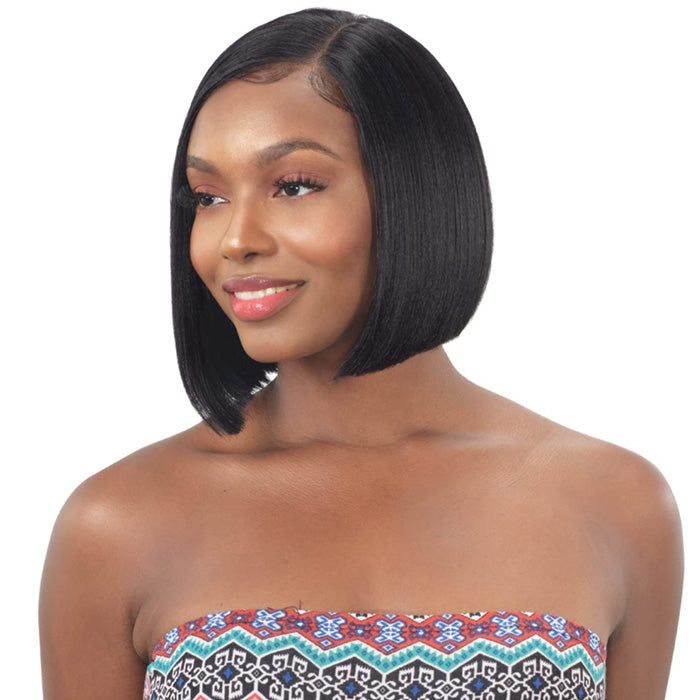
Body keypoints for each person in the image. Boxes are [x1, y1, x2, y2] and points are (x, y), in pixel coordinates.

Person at [38, 7, 683, 699]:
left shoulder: (616, 504)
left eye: (293, 186)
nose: (235, 239)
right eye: (209, 197)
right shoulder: (115, 526)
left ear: (417, 193)